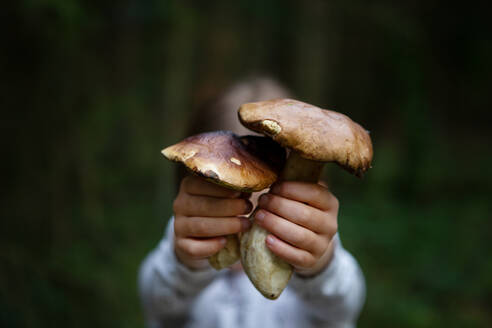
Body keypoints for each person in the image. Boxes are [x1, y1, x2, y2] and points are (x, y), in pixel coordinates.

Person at [138, 77, 366, 328]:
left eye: (270, 205)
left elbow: (344, 303)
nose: (248, 224)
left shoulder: (318, 254)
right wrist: (185, 261)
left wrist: (320, 266)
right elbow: (156, 299)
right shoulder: (179, 252)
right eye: (233, 207)